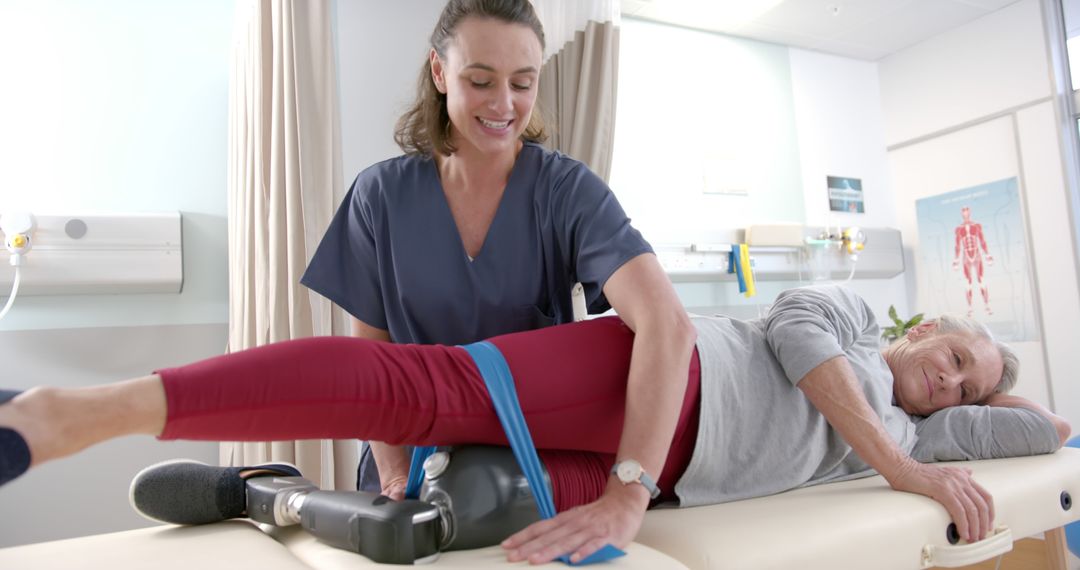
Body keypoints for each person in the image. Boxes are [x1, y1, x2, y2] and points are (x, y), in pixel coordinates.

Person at [0, 285, 1070, 564]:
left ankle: (259, 490)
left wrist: (999, 397)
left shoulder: (936, 432)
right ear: (924, 321)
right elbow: (798, 346)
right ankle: (79, 412)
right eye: (955, 352)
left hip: (660, 485)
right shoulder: (841, 315)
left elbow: (1050, 436)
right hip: (665, 382)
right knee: (414, 391)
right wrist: (897, 459)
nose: (948, 379)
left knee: (432, 521)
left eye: (966, 385)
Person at [297, 0, 696, 533]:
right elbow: (373, 357)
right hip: (407, 468)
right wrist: (393, 477)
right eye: (481, 80)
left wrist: (628, 494)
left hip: (528, 472)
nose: (504, 104)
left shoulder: (567, 192)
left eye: (522, 83)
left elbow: (667, 326)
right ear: (440, 72)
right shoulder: (380, 196)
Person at [952, 205, 994, 316]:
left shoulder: (976, 226)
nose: (965, 212)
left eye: (967, 210)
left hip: (977, 255)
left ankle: (987, 306)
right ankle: (970, 308)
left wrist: (987, 255)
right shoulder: (959, 229)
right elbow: (957, 245)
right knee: (968, 283)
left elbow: (982, 241)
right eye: (963, 210)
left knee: (981, 280)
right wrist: (956, 260)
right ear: (961, 213)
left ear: (969, 212)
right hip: (966, 256)